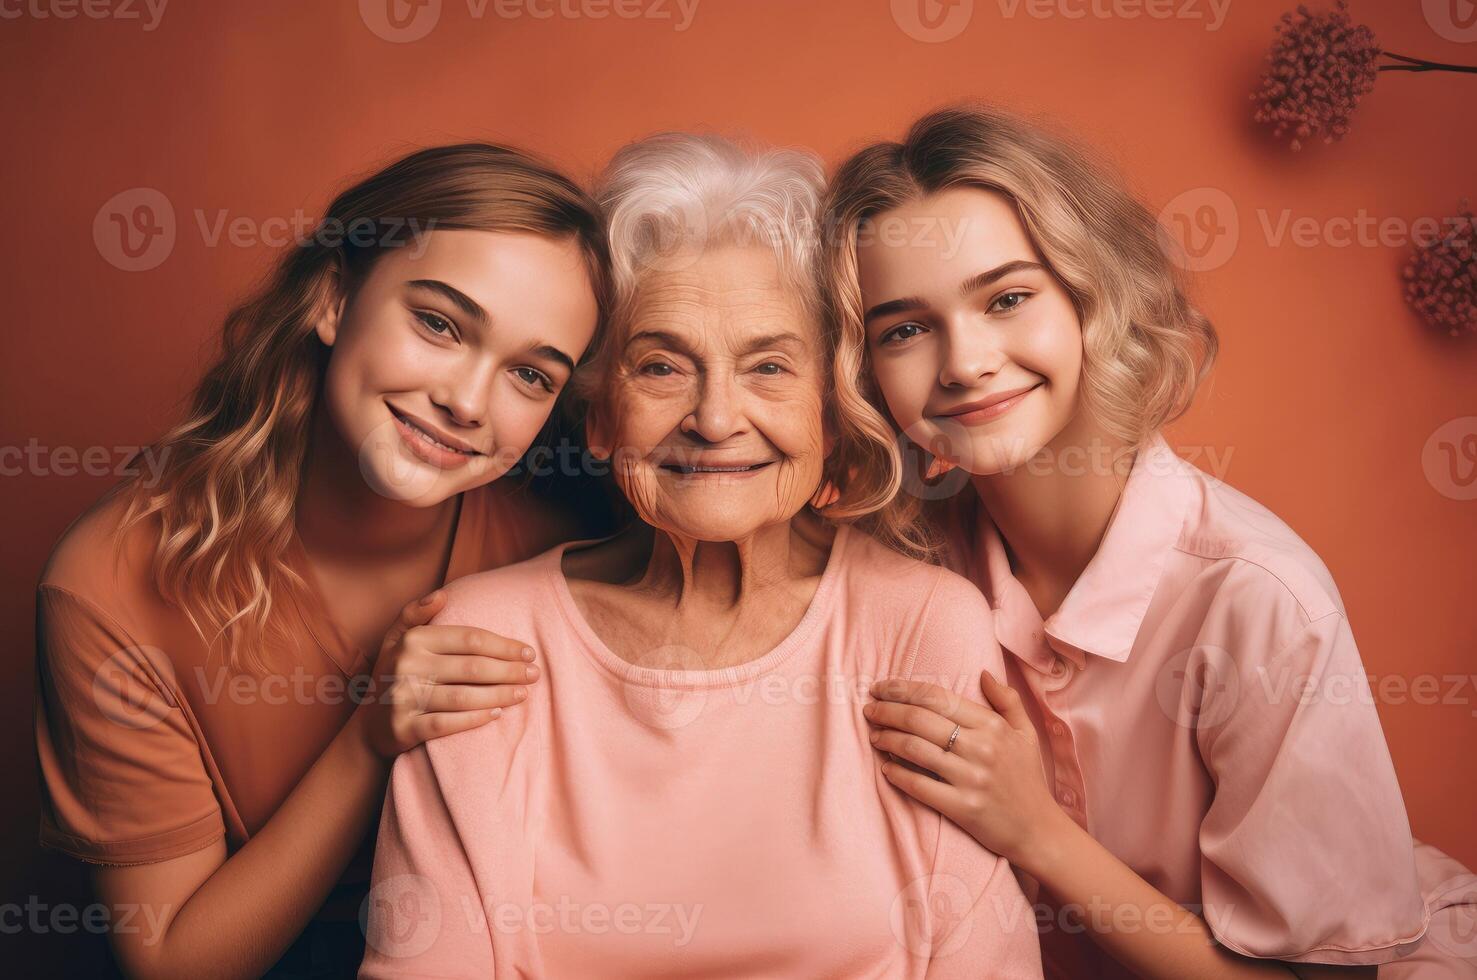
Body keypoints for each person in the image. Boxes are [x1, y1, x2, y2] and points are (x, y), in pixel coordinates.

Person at [358, 133, 1043, 978]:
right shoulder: (483, 639)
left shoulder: (923, 626)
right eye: (660, 367)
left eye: (767, 367)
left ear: (830, 414)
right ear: (600, 416)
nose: (715, 419)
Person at [822, 105, 1473, 978]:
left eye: (1008, 298)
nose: (965, 361)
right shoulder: (900, 566)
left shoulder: (1257, 596)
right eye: (904, 328)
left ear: (1093, 297)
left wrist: (1036, 829)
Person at [34, 142, 613, 978]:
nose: (466, 400)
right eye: (440, 324)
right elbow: (173, 964)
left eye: (528, 374)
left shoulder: (566, 538)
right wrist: (371, 735)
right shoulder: (109, 584)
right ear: (335, 298)